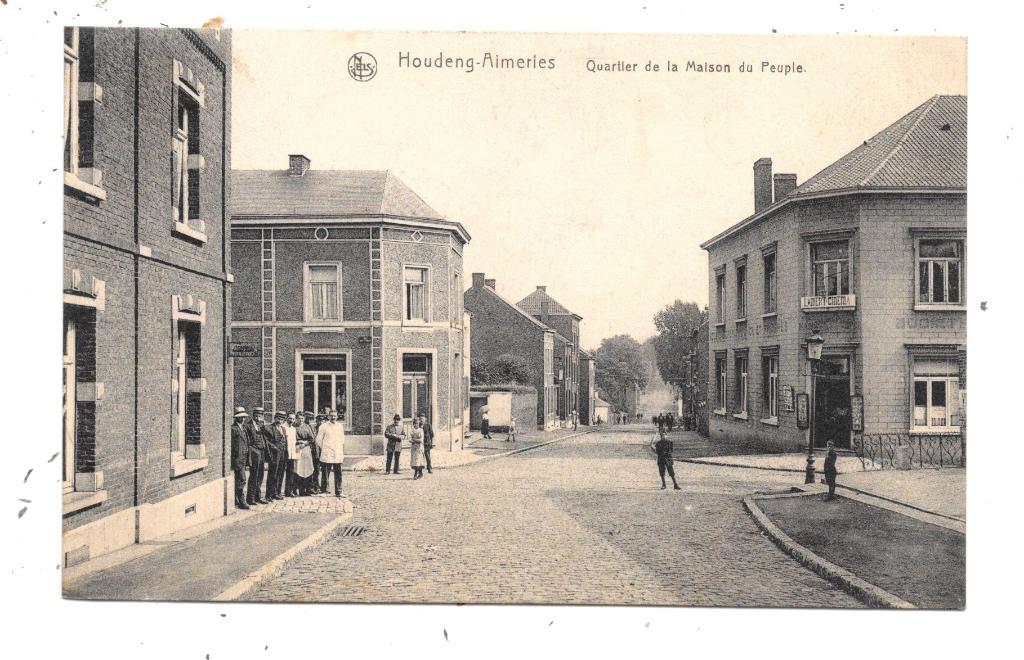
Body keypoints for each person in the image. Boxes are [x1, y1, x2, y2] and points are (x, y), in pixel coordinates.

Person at [315, 409, 345, 497]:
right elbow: (318, 440)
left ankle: (339, 491)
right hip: (327, 452)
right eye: (331, 416)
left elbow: (342, 439)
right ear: (328, 416)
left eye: (335, 416)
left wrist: (338, 448)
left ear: (337, 416)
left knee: (338, 473)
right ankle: (324, 491)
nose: (333, 417)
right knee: (325, 473)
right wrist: (325, 447)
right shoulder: (323, 426)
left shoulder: (340, 426)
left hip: (337, 452)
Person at [245, 406, 271, 505]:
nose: (258, 418)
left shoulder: (262, 426)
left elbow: (268, 434)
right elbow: (248, 441)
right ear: (253, 415)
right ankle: (250, 498)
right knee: (254, 475)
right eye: (256, 415)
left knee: (260, 475)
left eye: (260, 416)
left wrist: (263, 425)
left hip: (262, 452)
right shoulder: (248, 426)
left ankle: (258, 496)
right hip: (254, 452)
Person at [230, 407, 251, 510]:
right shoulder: (233, 429)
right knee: (241, 479)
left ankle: (236, 499)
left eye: (244, 417)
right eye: (241, 417)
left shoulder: (243, 428)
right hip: (237, 458)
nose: (243, 419)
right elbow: (232, 445)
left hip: (243, 457)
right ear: (236, 418)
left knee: (241, 479)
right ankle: (241, 501)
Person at [266, 411, 289, 500]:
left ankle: (277, 492)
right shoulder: (269, 428)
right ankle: (269, 495)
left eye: (282, 419)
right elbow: (267, 440)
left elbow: (285, 441)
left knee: (280, 473)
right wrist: (273, 446)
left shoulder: (283, 429)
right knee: (273, 474)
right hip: (274, 454)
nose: (280, 420)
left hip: (283, 454)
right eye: (278, 418)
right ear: (275, 418)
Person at [296, 411, 318, 495]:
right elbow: (291, 439)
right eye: (299, 418)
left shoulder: (307, 427)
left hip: (306, 448)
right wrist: (299, 442)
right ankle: (300, 490)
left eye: (302, 418)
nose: (300, 420)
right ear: (296, 419)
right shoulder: (294, 427)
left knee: (308, 468)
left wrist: (305, 443)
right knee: (299, 469)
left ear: (304, 419)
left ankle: (308, 488)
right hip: (298, 448)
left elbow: (312, 439)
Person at [284, 412, 300, 496]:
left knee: (291, 473)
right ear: (287, 418)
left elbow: (294, 442)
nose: (291, 420)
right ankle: (276, 492)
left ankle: (288, 491)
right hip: (284, 454)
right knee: (280, 473)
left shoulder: (293, 429)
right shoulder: (283, 427)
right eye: (290, 418)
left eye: (293, 419)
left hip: (292, 454)